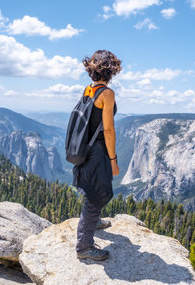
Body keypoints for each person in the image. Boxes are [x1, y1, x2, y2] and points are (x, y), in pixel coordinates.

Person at [74, 50, 121, 261]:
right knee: (96, 195)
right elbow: (108, 130)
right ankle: (84, 247)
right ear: (110, 71)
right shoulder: (107, 94)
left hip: (84, 149)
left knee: (95, 190)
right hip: (97, 151)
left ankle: (94, 221)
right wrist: (113, 160)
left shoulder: (90, 89)